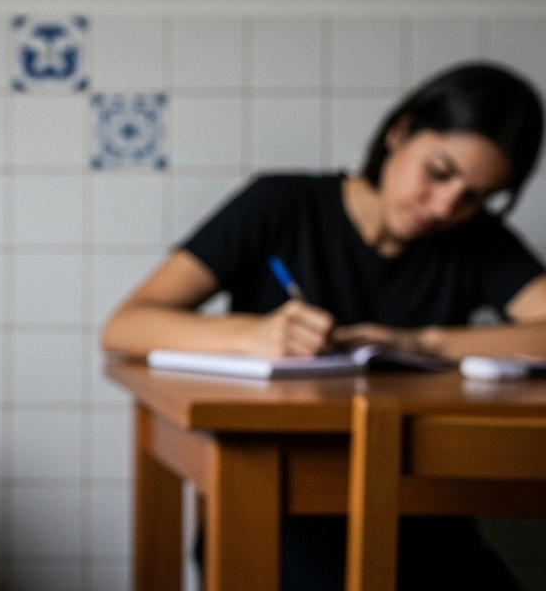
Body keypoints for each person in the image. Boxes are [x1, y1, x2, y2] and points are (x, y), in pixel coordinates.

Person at [102, 62, 546, 591]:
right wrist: (251, 337)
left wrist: (420, 340)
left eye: (476, 196)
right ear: (399, 132)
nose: (447, 205)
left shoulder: (478, 239)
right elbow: (126, 325)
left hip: (426, 512)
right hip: (276, 508)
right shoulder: (282, 204)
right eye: (440, 171)